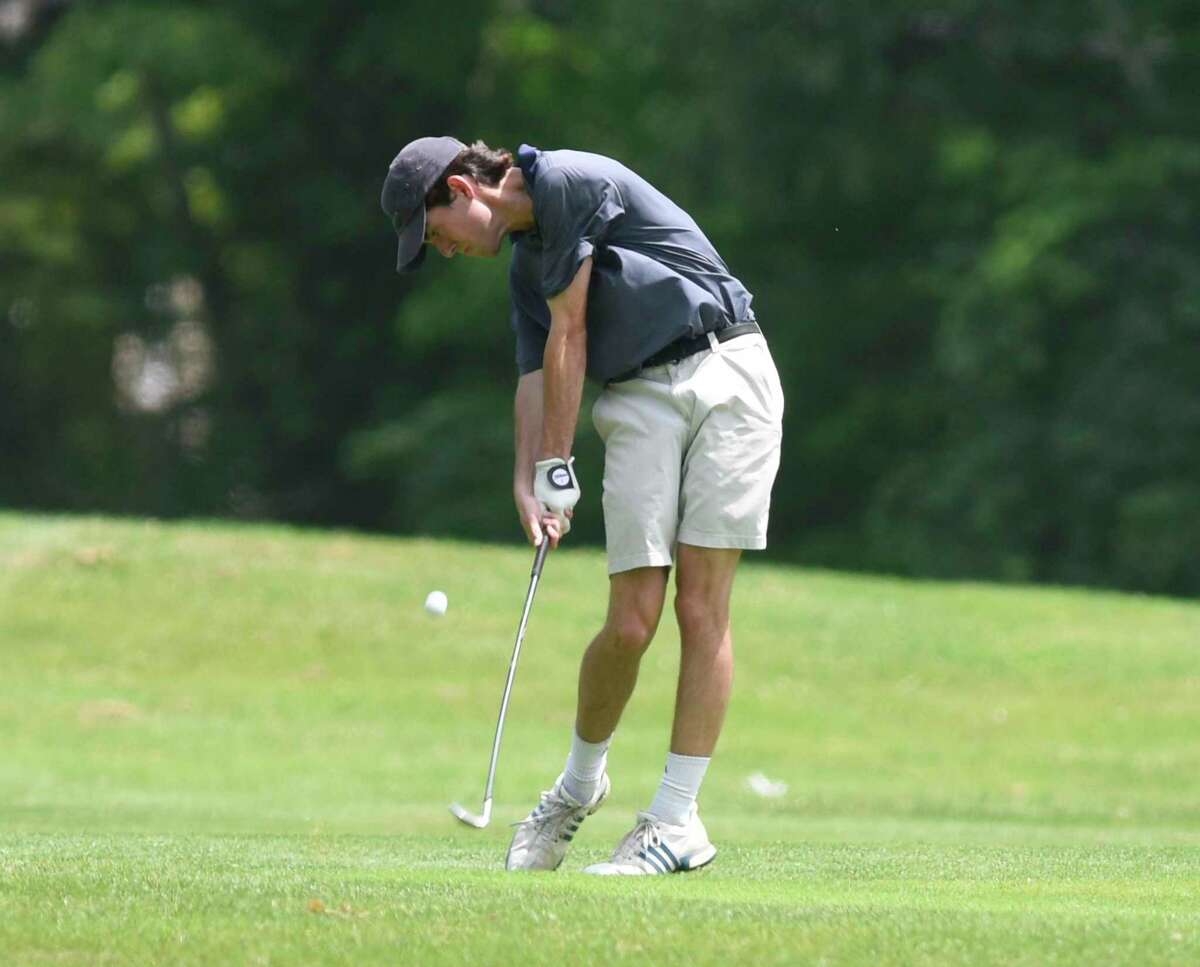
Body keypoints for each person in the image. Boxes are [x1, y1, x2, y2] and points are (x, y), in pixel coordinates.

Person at [381, 136, 784, 875]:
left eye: (436, 235)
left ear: (463, 193)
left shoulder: (565, 180)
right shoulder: (525, 269)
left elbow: (572, 333)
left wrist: (558, 465)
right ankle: (576, 787)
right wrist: (526, 480)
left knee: (701, 607)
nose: (444, 251)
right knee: (631, 619)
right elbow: (534, 377)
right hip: (638, 397)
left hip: (728, 367)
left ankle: (675, 818)